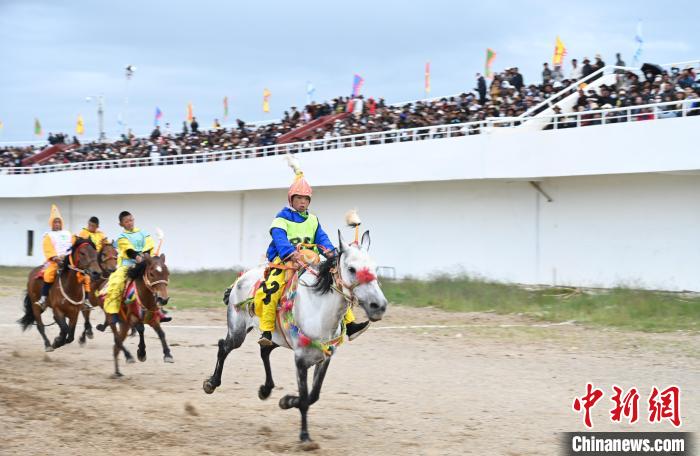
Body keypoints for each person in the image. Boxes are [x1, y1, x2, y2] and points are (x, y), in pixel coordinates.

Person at [254, 158, 369, 346]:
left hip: (311, 262)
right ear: (291, 199)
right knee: (272, 288)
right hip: (285, 262)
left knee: (336, 282)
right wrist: (291, 253)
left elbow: (322, 239)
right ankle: (266, 331)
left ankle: (350, 324)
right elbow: (279, 238)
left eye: (306, 199)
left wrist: (332, 254)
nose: (302, 202)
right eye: (298, 198)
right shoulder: (281, 218)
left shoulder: (313, 220)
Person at [103, 211, 155, 319]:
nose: (130, 223)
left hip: (145, 262)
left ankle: (159, 310)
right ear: (121, 224)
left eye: (131, 220)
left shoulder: (143, 233)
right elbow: (129, 251)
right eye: (126, 221)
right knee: (116, 283)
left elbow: (149, 245)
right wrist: (137, 257)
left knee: (158, 277)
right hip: (128, 264)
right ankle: (113, 312)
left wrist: (145, 256)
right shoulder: (122, 237)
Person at [35, 205, 74, 310]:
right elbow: (48, 249)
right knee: (49, 274)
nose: (57, 224)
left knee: (81, 274)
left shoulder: (68, 233)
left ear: (61, 223)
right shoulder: (48, 235)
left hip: (69, 259)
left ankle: (85, 299)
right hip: (55, 261)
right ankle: (43, 298)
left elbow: (73, 244)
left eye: (58, 222)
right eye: (55, 222)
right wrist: (56, 258)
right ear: (51, 224)